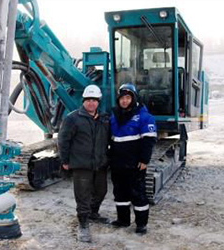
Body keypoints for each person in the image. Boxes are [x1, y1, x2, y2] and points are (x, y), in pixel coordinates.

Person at [58, 84, 110, 243]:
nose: (91, 103)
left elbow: (108, 139)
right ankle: (83, 224)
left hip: (99, 163)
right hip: (81, 164)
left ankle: (93, 213)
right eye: (88, 100)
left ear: (98, 102)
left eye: (94, 100)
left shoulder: (103, 119)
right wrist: (65, 160)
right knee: (83, 196)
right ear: (83, 101)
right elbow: (63, 141)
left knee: (101, 191)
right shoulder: (73, 118)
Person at [109, 83, 157, 235]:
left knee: (138, 195)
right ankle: (123, 220)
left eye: (128, 97)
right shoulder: (114, 116)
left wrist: (144, 160)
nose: (124, 101)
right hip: (118, 163)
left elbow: (149, 141)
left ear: (134, 98)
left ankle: (141, 224)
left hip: (135, 164)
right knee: (120, 193)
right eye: (122, 98)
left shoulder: (144, 117)